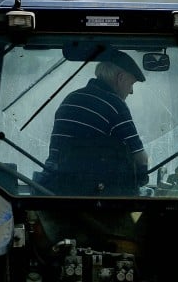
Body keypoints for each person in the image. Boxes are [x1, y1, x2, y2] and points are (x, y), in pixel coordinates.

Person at [39, 49, 149, 193]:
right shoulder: (115, 104)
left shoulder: (70, 99)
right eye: (131, 84)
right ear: (120, 78)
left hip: (52, 190)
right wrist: (141, 181)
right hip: (91, 195)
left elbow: (56, 152)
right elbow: (140, 158)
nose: (131, 91)